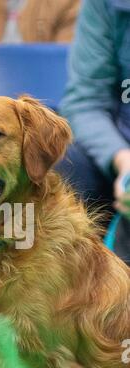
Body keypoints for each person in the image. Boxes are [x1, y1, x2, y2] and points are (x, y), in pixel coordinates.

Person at [59, 0, 130, 265]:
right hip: (119, 152)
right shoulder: (105, 4)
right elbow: (85, 103)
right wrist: (122, 160)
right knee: (62, 165)